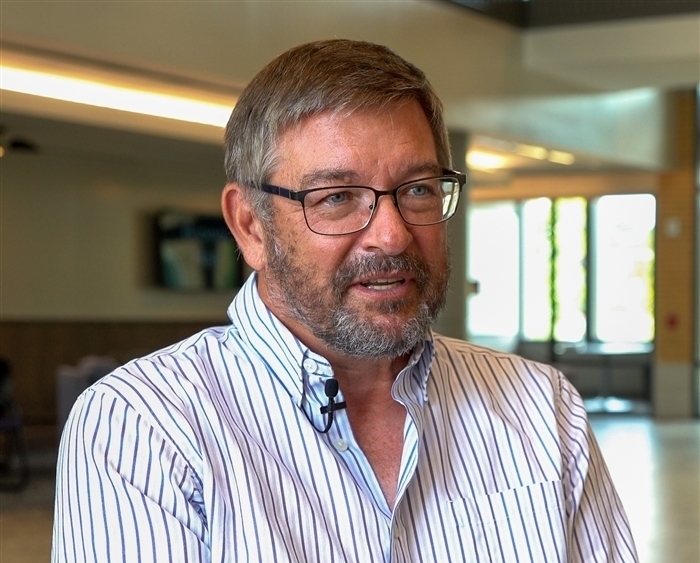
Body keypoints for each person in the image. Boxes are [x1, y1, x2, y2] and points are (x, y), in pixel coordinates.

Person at [53, 39, 638, 562]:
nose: (392, 233)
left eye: (417, 190)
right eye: (336, 198)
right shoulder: (142, 430)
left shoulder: (542, 410)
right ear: (251, 226)